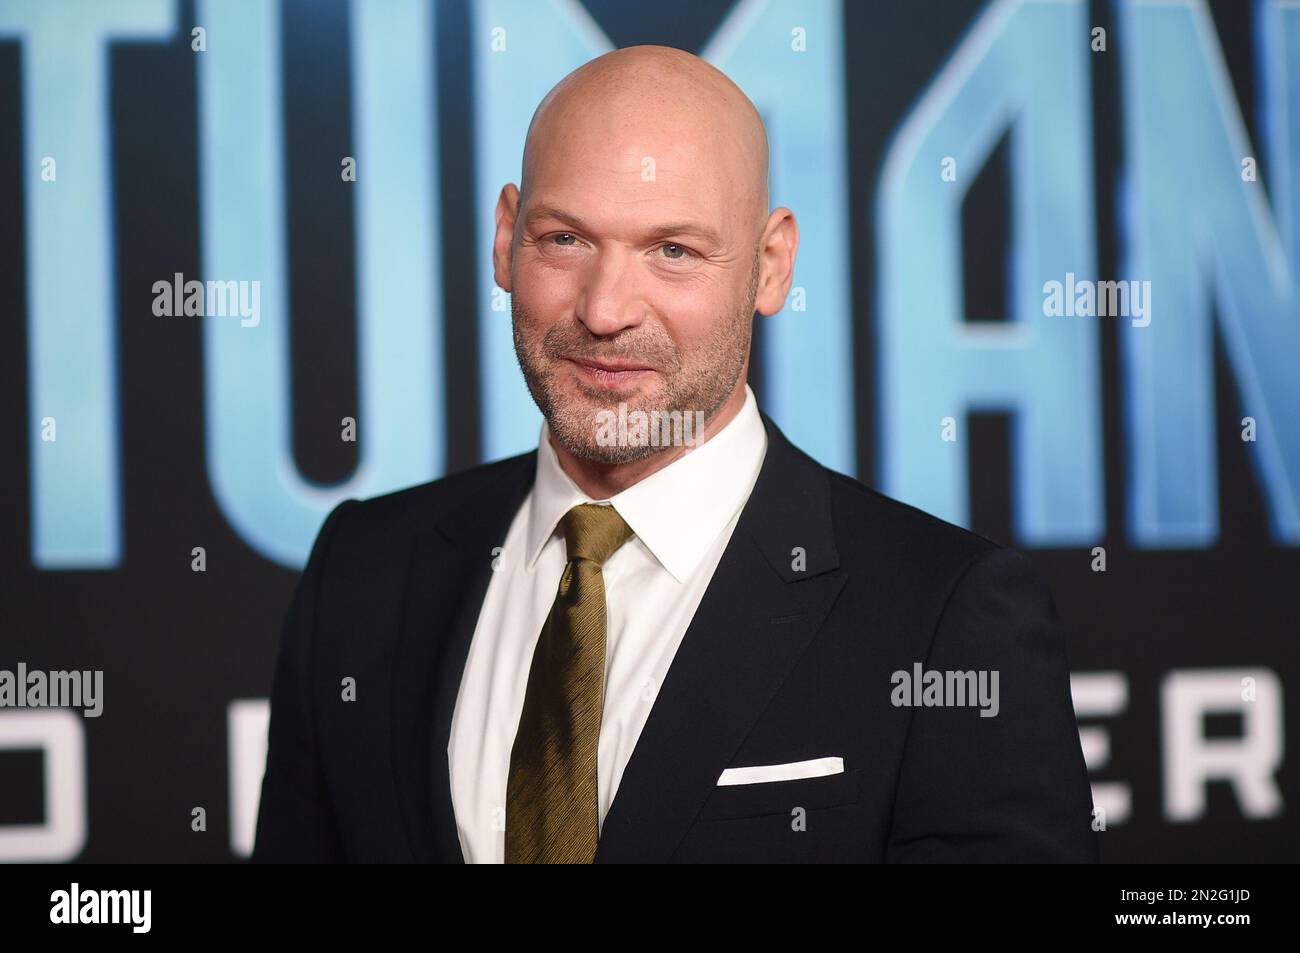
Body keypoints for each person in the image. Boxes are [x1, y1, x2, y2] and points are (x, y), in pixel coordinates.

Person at [252, 45, 1097, 863]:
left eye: (674, 251)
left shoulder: (947, 617)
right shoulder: (361, 574)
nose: (608, 308)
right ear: (507, 236)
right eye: (566, 239)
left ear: (770, 267)